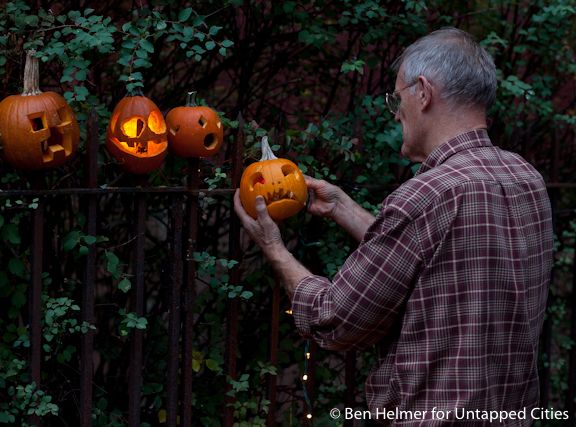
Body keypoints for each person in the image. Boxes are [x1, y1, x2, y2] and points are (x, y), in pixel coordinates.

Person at [233, 27, 554, 425]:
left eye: (396, 97)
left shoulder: (426, 195)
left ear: (423, 92)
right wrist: (343, 207)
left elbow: (334, 319)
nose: (396, 111)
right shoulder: (526, 179)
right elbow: (433, 264)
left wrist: (274, 248)